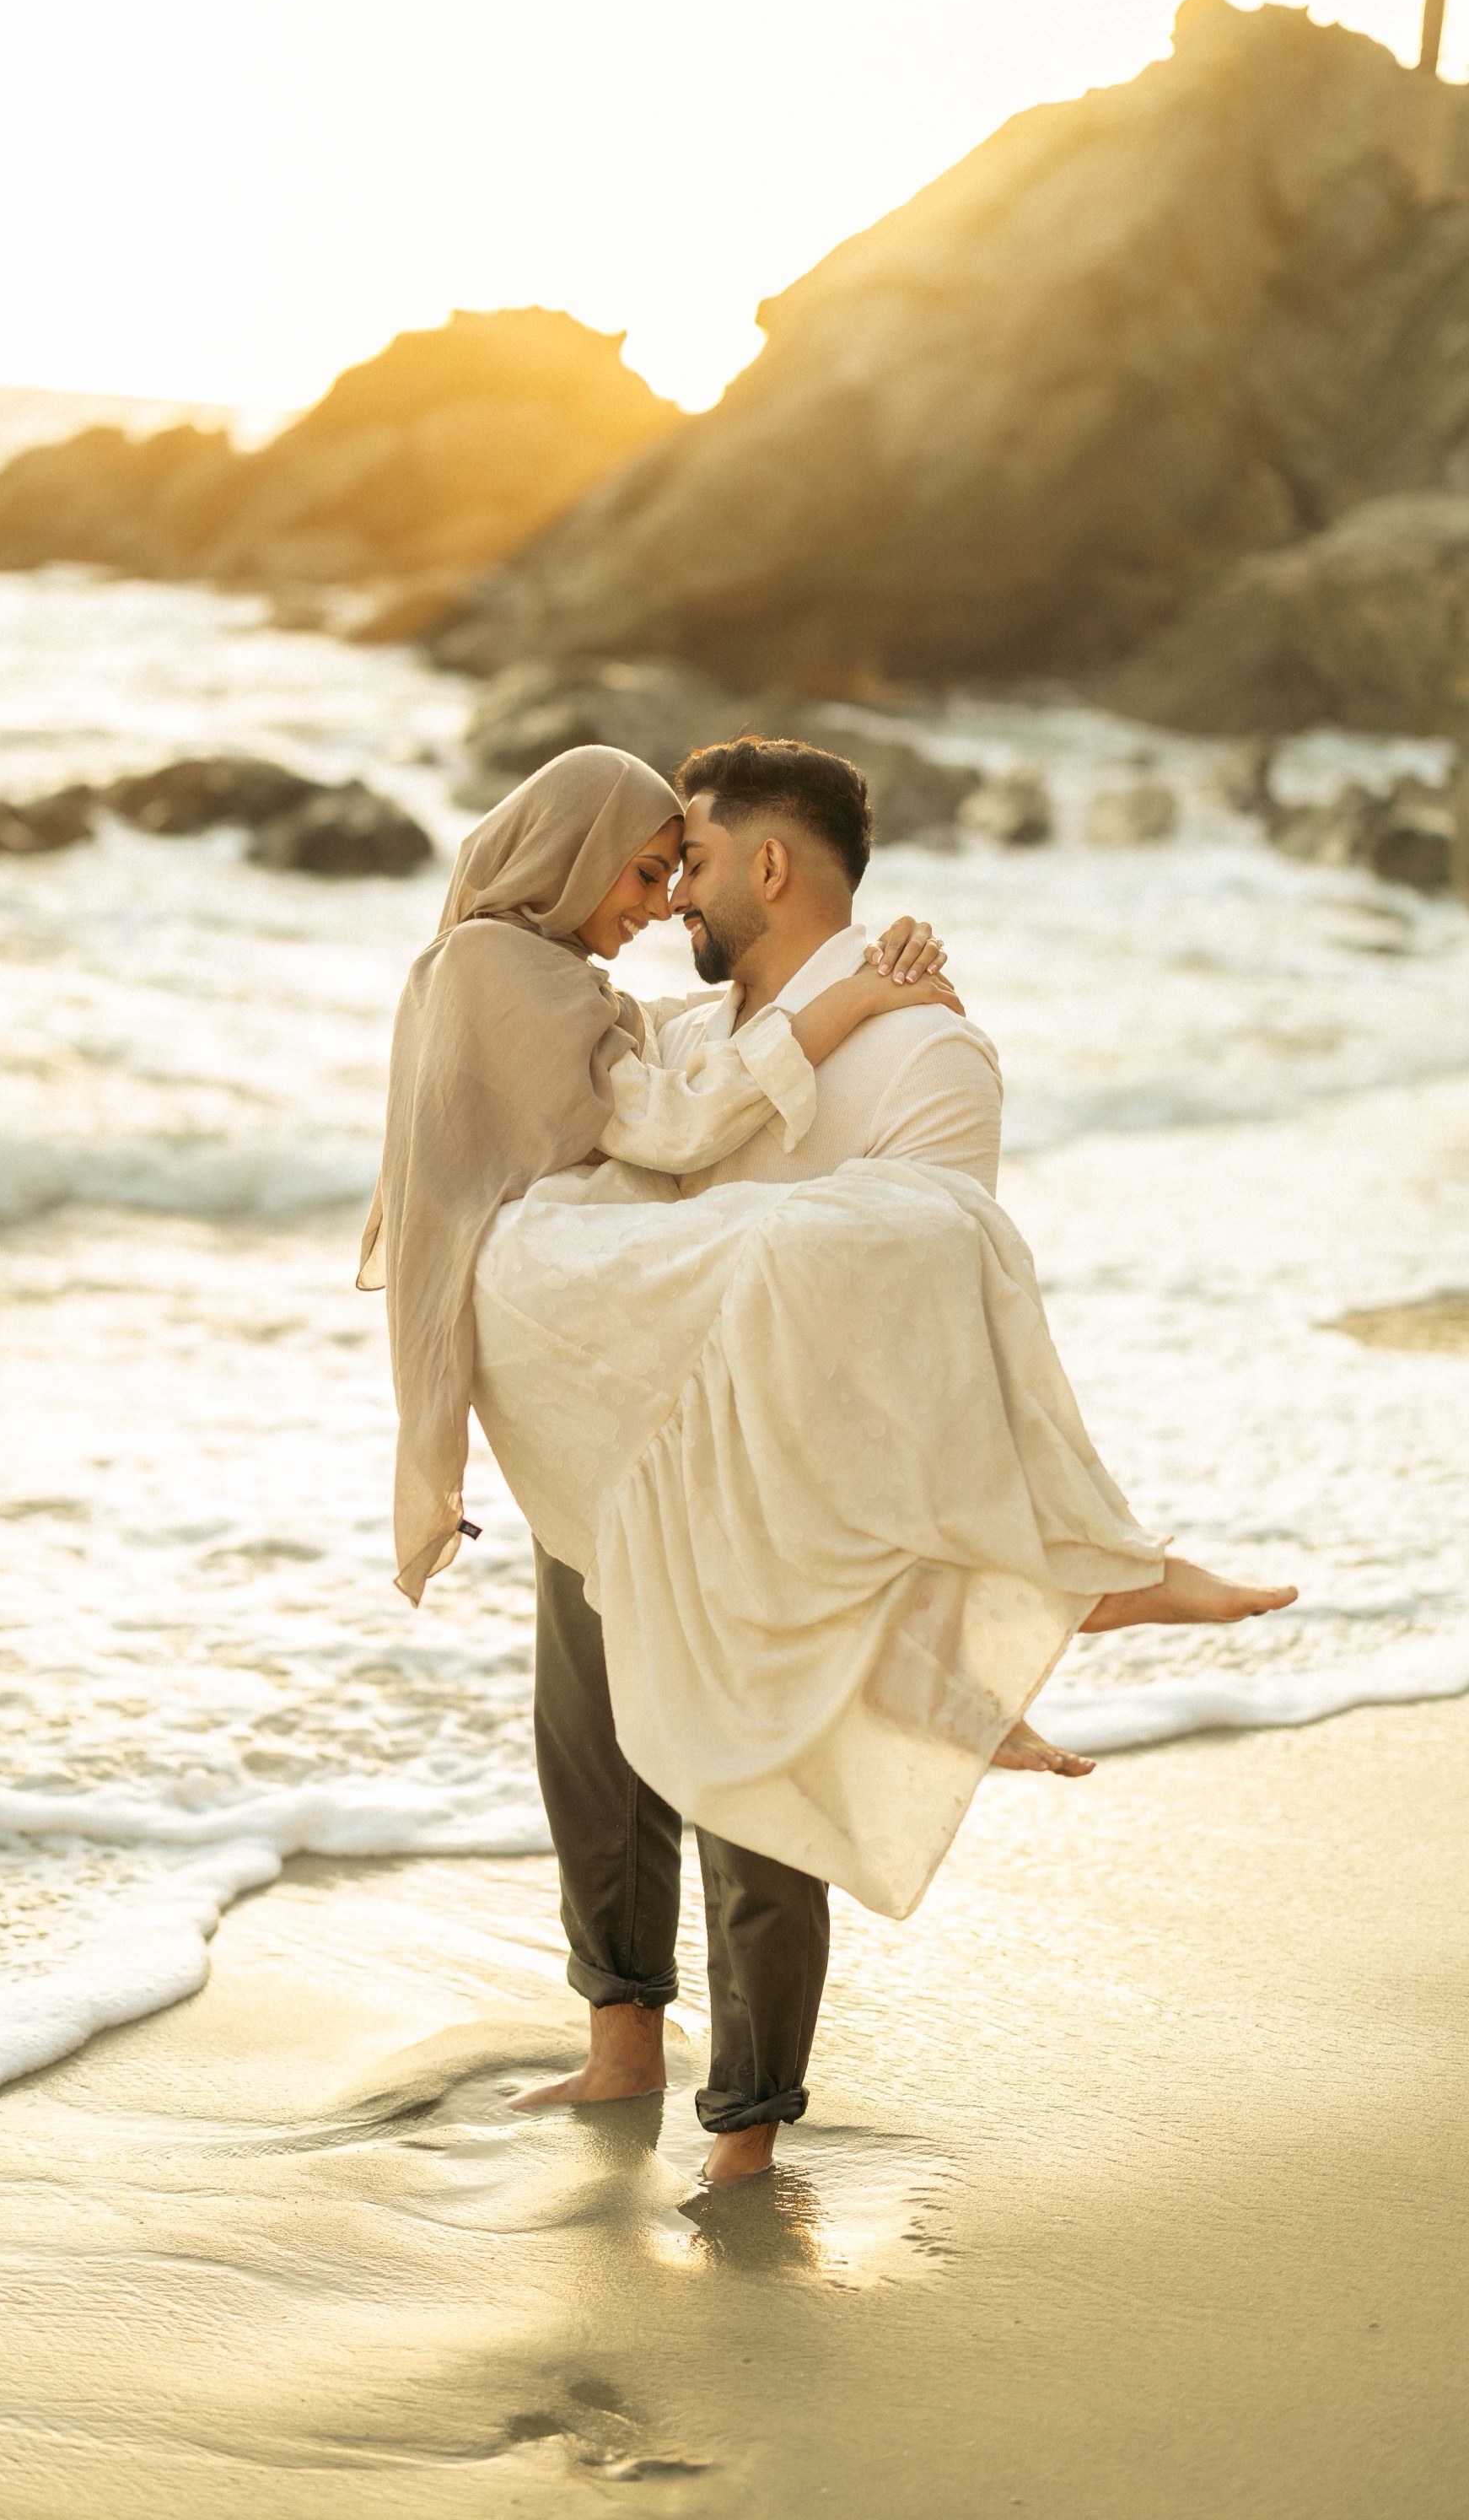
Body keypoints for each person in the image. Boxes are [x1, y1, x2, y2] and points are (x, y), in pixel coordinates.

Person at [362, 742, 1295, 2183]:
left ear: (771, 869)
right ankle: (619, 2047)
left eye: (693, 866)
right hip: (624, 1425)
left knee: (753, 1792)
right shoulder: (674, 1024)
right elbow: (631, 1114)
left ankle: (745, 2131)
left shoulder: (926, 1047)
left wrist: (864, 996)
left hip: (772, 1470)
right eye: (653, 868)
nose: (672, 897)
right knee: (592, 1756)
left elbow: (921, 1326)